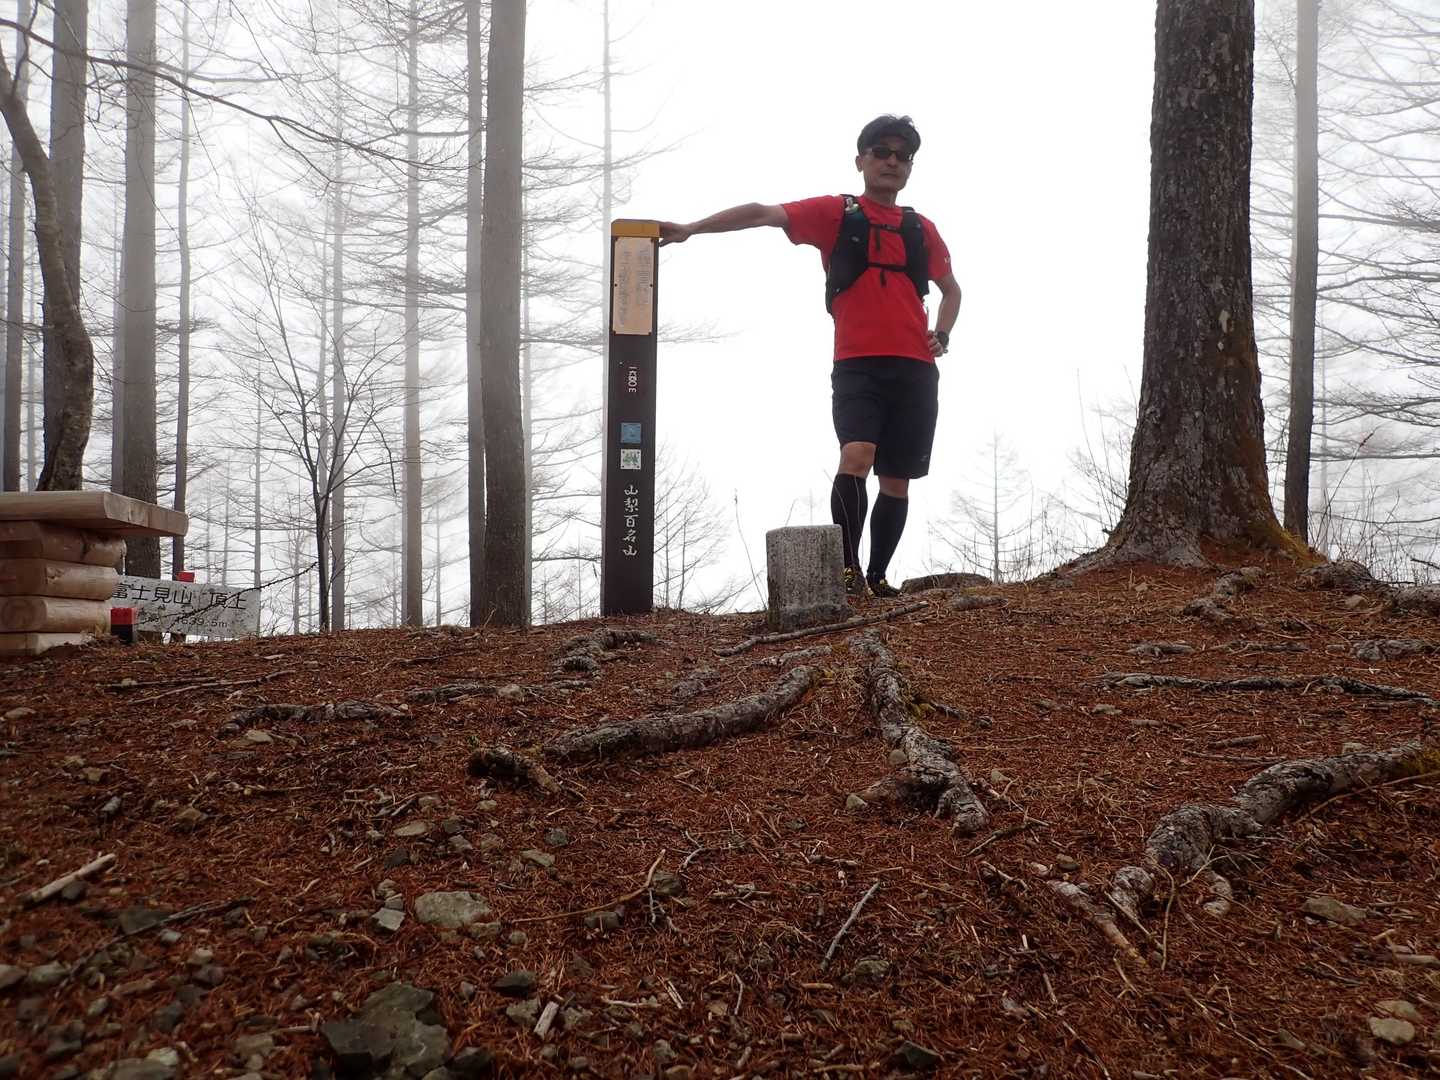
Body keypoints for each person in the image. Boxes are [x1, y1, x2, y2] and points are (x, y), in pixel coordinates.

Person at [659, 115, 961, 598]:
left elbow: (951, 290)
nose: (891, 161)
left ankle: (878, 578)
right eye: (881, 152)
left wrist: (941, 334)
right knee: (856, 455)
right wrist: (693, 228)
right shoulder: (838, 213)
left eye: (902, 156)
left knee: (897, 479)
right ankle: (848, 574)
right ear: (860, 160)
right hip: (858, 364)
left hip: (915, 369)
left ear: (910, 167)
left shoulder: (920, 228)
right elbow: (764, 212)